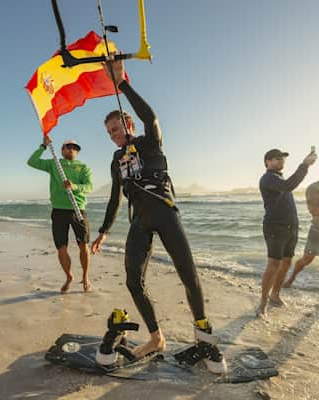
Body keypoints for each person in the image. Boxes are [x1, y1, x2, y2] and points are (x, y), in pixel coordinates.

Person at [91, 58, 226, 374]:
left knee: (188, 274)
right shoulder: (115, 159)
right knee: (132, 280)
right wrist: (104, 230)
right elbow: (113, 198)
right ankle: (156, 337)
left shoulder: (149, 141)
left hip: (165, 213)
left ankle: (203, 337)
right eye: (109, 132)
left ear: (129, 126)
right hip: (140, 220)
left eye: (117, 129)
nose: (113, 135)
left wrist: (121, 82)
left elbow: (150, 116)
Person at [28, 136, 93, 293]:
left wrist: (74, 186)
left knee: (83, 245)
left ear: (77, 152)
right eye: (68, 146)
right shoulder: (54, 164)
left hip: (78, 209)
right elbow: (32, 161)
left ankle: (85, 277)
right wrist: (42, 146)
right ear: (62, 150)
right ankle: (69, 276)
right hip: (59, 210)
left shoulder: (83, 167)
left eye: (74, 147)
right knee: (61, 248)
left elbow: (89, 186)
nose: (71, 149)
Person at [257, 148, 317, 316]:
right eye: (277, 158)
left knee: (286, 263)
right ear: (267, 162)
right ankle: (262, 303)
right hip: (275, 226)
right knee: (274, 264)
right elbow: (289, 185)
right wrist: (305, 165)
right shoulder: (268, 178)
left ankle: (275, 295)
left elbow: (288, 185)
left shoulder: (278, 178)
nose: (281, 161)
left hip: (291, 226)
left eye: (282, 158)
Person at [283, 181, 319, 288]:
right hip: (317, 231)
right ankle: (291, 280)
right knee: (306, 259)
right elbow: (314, 211)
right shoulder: (313, 188)